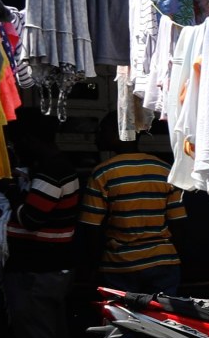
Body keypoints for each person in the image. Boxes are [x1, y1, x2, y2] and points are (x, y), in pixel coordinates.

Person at [0, 112, 83, 338]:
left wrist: (10, 192)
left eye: (18, 142)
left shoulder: (51, 172)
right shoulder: (58, 168)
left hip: (37, 273)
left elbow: (30, 218)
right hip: (52, 271)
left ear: (31, 141)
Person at [77, 113, 188, 298]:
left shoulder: (102, 174)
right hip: (163, 263)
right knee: (162, 323)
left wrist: (94, 267)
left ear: (118, 132)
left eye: (101, 131)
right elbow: (178, 224)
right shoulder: (164, 170)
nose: (96, 137)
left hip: (121, 265)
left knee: (125, 323)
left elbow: (91, 229)